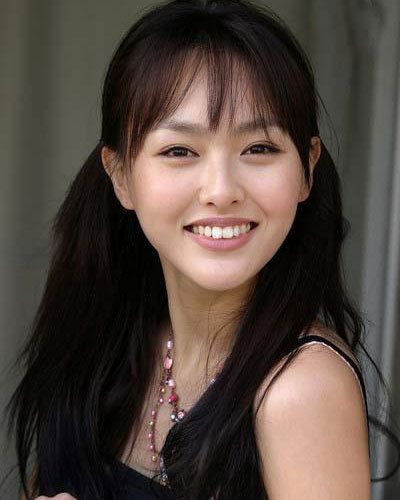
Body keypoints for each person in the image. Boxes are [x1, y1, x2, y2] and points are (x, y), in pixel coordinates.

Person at [3, 0, 400, 499]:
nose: (221, 190)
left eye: (259, 148)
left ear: (307, 168)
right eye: (179, 151)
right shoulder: (106, 343)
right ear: (120, 176)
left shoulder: (300, 387)